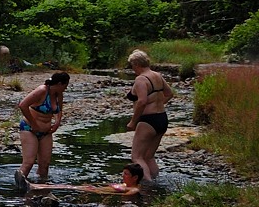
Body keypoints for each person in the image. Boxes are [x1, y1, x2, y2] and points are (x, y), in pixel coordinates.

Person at [126, 49, 173, 181]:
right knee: (149, 156)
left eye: (132, 65)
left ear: (136, 64)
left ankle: (148, 184)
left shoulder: (141, 79)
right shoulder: (157, 75)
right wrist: (158, 104)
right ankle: (156, 183)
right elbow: (169, 93)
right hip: (162, 118)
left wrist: (133, 121)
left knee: (137, 156)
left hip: (148, 121)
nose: (132, 68)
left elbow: (142, 101)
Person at [15, 71, 70, 184]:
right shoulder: (42, 91)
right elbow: (23, 105)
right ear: (59, 84)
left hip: (46, 132)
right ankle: (19, 186)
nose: (66, 88)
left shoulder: (58, 94)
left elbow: (59, 110)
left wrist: (57, 122)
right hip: (29, 129)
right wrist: (34, 124)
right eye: (65, 86)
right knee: (29, 162)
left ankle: (42, 187)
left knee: (45, 164)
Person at [16, 163, 144, 197]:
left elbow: (125, 196)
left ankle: (32, 187)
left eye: (126, 174)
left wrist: (99, 192)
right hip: (94, 189)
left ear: (135, 177)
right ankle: (32, 185)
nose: (123, 175)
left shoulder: (133, 189)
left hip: (95, 191)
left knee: (66, 187)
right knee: (65, 185)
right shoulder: (126, 184)